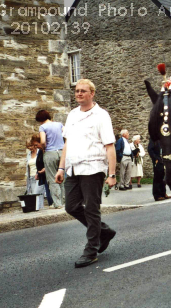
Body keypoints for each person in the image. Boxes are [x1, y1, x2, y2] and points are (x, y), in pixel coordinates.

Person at [55, 79, 117, 268]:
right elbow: (67, 144)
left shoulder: (101, 116)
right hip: (73, 168)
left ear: (92, 94)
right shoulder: (72, 115)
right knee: (71, 206)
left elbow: (109, 145)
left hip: (93, 167)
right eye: (76, 91)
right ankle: (104, 231)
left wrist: (112, 174)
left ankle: (91, 250)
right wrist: (61, 168)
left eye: (83, 91)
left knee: (91, 208)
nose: (79, 94)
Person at [36, 110, 65, 208]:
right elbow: (67, 135)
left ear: (40, 120)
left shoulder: (42, 127)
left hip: (50, 153)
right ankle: (64, 201)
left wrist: (44, 148)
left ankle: (57, 203)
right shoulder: (59, 124)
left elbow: (43, 141)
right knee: (62, 177)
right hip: (61, 152)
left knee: (52, 178)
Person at [31, 133, 54, 207]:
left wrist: (46, 168)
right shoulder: (41, 151)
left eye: (36, 144)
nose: (36, 147)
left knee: (52, 196)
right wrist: (38, 172)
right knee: (49, 197)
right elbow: (40, 162)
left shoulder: (50, 149)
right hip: (44, 176)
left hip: (52, 175)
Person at [25, 138, 45, 210]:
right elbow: (28, 167)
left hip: (39, 176)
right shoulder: (29, 154)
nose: (30, 148)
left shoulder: (40, 152)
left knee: (38, 193)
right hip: (31, 177)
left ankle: (40, 208)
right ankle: (37, 209)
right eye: (28, 147)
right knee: (33, 194)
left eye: (31, 145)